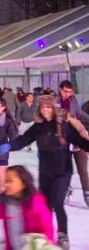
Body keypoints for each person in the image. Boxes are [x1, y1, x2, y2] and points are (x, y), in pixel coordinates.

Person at [0, 95, 89, 250]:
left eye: (48, 107)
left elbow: (80, 141)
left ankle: (63, 235)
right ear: (39, 109)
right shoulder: (38, 126)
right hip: (45, 172)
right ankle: (44, 233)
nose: (45, 110)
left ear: (53, 108)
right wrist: (9, 146)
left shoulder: (64, 126)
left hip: (62, 172)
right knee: (44, 205)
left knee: (58, 203)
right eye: (43, 107)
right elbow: (24, 140)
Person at [0, 165, 55, 250]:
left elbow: (47, 229)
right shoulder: (4, 202)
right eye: (5, 181)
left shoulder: (36, 203)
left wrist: (42, 244)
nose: (6, 184)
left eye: (10, 181)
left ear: (23, 183)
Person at [56, 80, 89, 208]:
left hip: (76, 138)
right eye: (65, 91)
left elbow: (80, 114)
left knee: (83, 170)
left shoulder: (73, 101)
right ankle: (65, 190)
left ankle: (87, 194)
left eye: (70, 92)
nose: (67, 94)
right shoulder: (54, 102)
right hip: (62, 140)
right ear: (60, 89)